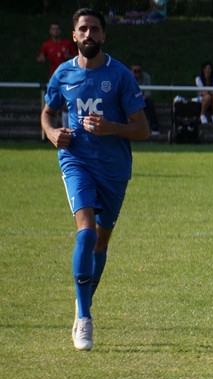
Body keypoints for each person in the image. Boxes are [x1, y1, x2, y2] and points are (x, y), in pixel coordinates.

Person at [41, 8, 150, 352]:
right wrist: (51, 133)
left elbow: (143, 129)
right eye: (83, 29)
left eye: (95, 29)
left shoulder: (119, 76)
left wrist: (111, 128)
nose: (89, 34)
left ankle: (82, 301)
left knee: (101, 242)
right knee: (86, 231)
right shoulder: (63, 74)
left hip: (114, 169)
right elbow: (48, 113)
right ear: (74, 36)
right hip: (76, 160)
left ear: (103, 35)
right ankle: (85, 317)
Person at [131, 62, 160, 135]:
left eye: (139, 71)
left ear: (142, 71)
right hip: (130, 101)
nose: (137, 73)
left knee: (150, 103)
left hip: (143, 100)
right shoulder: (127, 78)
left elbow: (147, 93)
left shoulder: (146, 77)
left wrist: (139, 101)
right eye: (135, 71)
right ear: (131, 71)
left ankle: (154, 128)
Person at [196, 60, 213, 125]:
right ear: (203, 70)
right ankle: (202, 114)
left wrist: (210, 91)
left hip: (212, 96)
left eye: (209, 68)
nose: (208, 70)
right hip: (202, 97)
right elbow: (202, 91)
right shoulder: (198, 79)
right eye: (206, 68)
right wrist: (210, 91)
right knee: (208, 97)